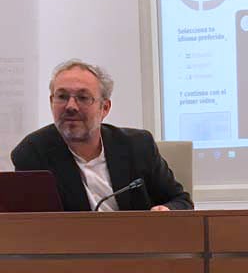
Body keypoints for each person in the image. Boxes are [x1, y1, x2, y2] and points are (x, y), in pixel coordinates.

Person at [11, 59, 193, 211]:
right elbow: (31, 222)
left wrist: (166, 210)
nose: (71, 106)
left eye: (83, 98)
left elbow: (181, 201)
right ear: (51, 102)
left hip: (136, 241)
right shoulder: (33, 152)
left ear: (104, 108)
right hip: (72, 243)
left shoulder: (138, 146)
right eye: (62, 97)